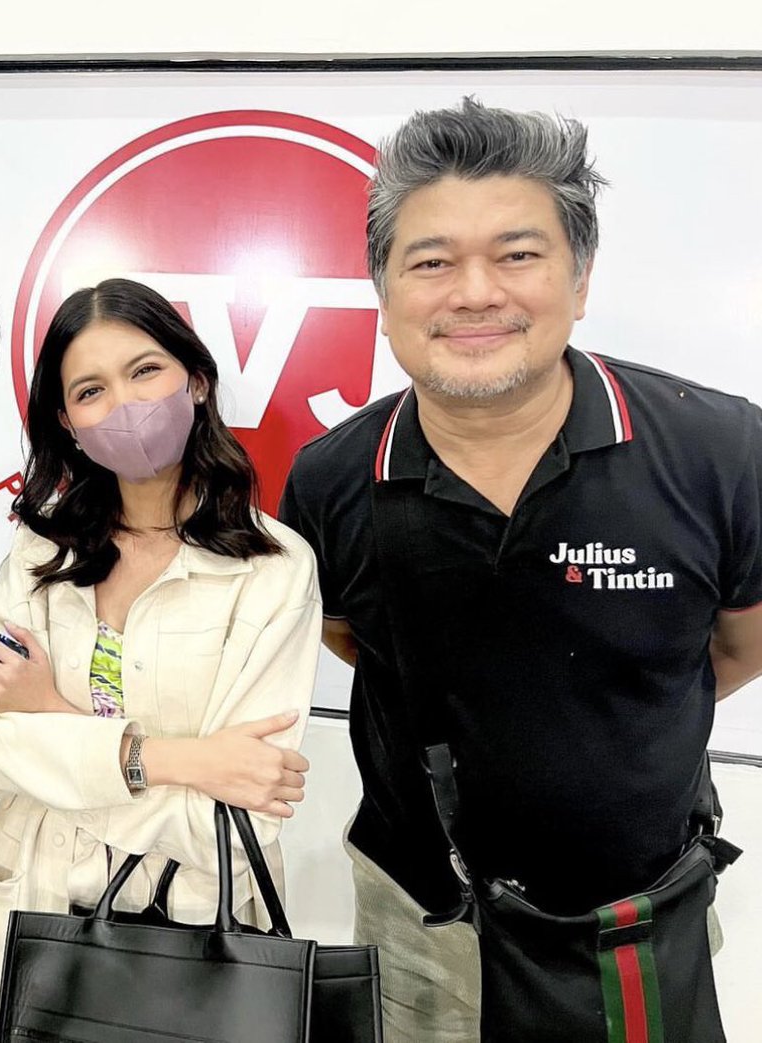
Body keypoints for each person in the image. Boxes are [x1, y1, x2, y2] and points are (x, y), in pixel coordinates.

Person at [279, 97, 762, 1042]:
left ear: (580, 278)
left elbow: (738, 648)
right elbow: (350, 638)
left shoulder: (719, 448)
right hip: (425, 920)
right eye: (431, 262)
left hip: (642, 920)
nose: (474, 293)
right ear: (383, 292)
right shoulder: (331, 478)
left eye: (517, 254)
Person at [0, 277, 322, 1040]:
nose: (126, 405)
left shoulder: (273, 569)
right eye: (91, 390)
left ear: (197, 381)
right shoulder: (41, 548)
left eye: (146, 371)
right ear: (67, 422)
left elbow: (235, 812)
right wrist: (174, 759)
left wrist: (50, 714)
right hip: (23, 922)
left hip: (185, 944)